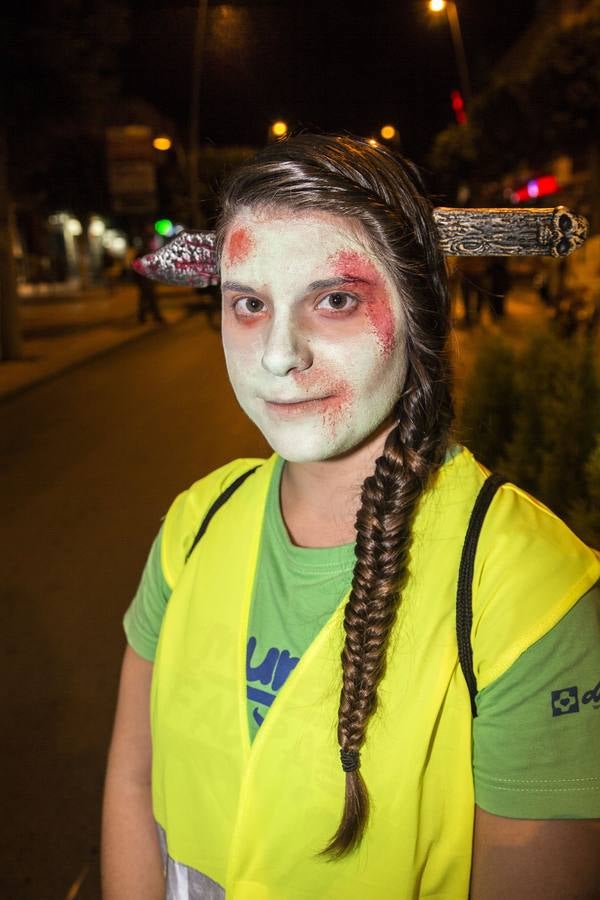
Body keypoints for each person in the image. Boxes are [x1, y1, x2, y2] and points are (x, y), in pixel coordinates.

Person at [101, 134, 600, 899]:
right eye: (249, 304)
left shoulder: (531, 588)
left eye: (335, 299)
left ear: (418, 311)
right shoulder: (195, 521)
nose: (277, 355)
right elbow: (133, 783)